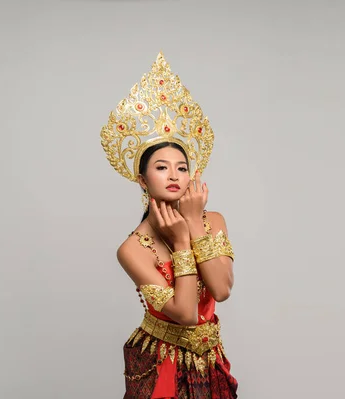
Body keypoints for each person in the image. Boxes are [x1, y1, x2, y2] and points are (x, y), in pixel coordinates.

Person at [100, 52, 239, 399]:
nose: (175, 175)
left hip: (209, 358)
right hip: (160, 360)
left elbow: (221, 290)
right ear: (142, 180)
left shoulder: (212, 220)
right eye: (162, 167)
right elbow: (186, 315)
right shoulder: (132, 249)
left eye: (181, 167)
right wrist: (180, 244)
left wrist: (192, 222)